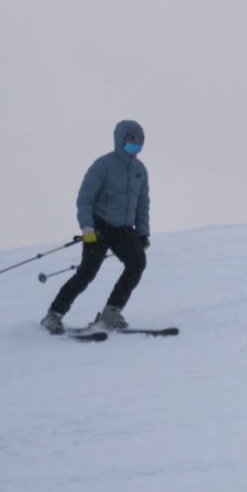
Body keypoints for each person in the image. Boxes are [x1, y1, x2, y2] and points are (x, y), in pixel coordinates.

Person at [40, 120, 151, 334]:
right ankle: (53, 315)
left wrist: (143, 232)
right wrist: (87, 227)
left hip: (124, 229)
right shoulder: (103, 165)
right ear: (120, 142)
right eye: (130, 147)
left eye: (138, 148)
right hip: (100, 225)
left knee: (137, 262)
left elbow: (142, 203)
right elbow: (85, 197)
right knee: (87, 272)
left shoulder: (140, 171)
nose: (134, 152)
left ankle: (112, 311)